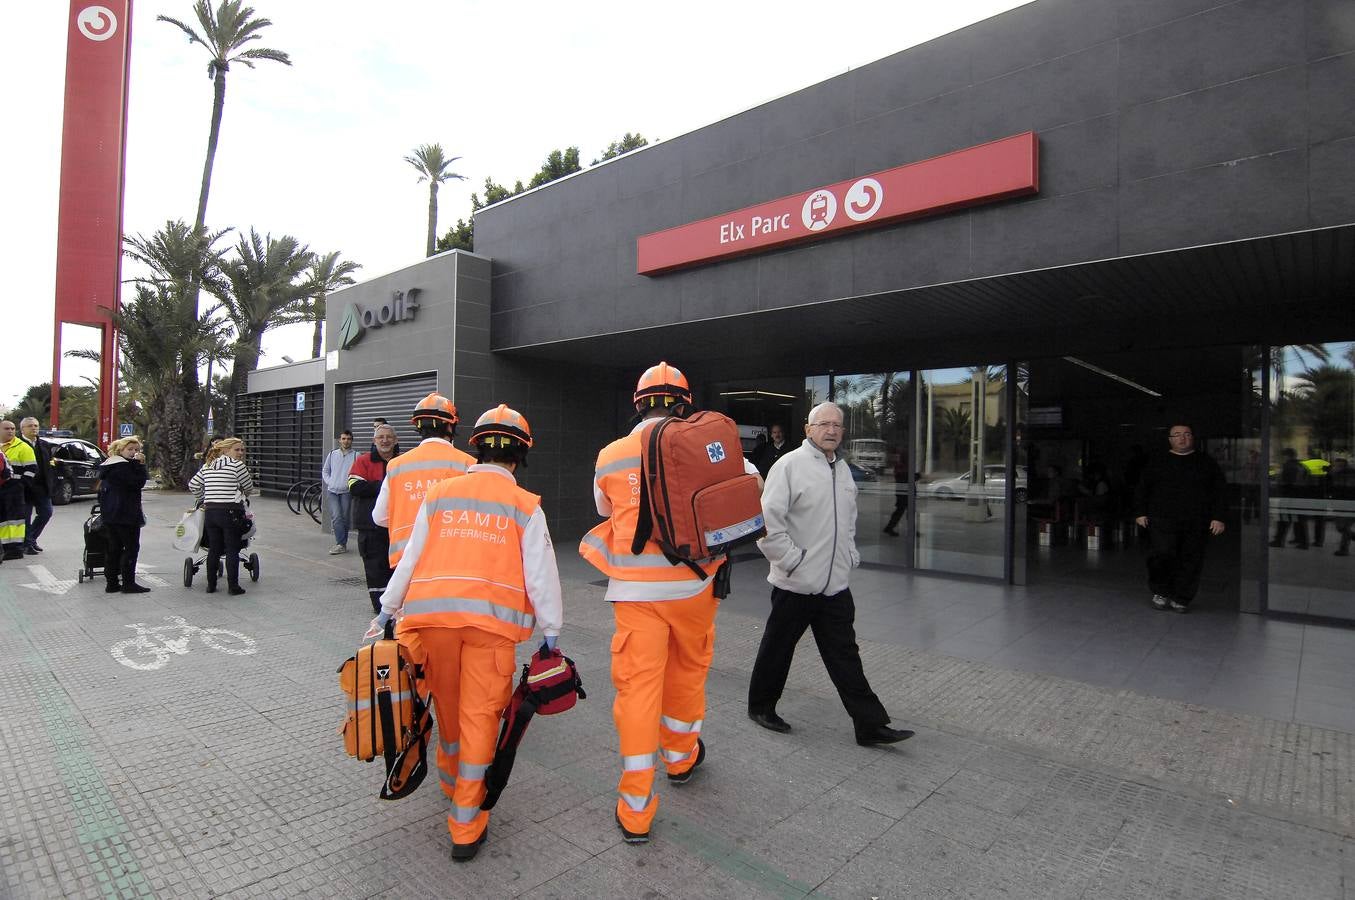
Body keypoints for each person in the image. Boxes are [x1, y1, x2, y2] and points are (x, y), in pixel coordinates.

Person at [369, 404, 562, 863]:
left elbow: (411, 559)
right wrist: (551, 634)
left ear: (475, 448)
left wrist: (386, 612)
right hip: (491, 633)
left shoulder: (439, 495)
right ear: (520, 456)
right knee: (481, 718)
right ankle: (465, 822)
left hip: (431, 623)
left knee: (449, 709)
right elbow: (541, 577)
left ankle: (448, 779)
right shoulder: (525, 506)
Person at [579, 361, 761, 844]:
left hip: (636, 594)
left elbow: (603, 508)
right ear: (684, 404)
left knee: (638, 691)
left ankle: (636, 807)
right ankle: (680, 758)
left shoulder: (611, 454)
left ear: (638, 404)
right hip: (697, 584)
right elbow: (750, 481)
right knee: (687, 675)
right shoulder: (705, 446)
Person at [747, 401, 914, 747]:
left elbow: (847, 520)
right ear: (808, 429)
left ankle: (869, 724)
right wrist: (792, 561)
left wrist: (849, 555)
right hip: (795, 583)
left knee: (845, 654)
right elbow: (766, 523)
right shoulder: (789, 466)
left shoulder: (842, 469)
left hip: (834, 585)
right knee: (778, 648)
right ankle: (761, 707)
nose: (832, 431)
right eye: (824, 424)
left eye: (838, 425)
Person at [374, 394, 476, 569]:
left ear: (418, 426)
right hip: (453, 561)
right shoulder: (468, 464)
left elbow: (379, 517)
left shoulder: (396, 465)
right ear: (451, 425)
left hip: (406, 565)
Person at [1133, 423, 1226, 613]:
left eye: (1186, 434)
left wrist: (1218, 517)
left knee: (1191, 559)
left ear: (1192, 438)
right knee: (1162, 554)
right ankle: (1160, 591)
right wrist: (1140, 512)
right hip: (1161, 519)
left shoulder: (1206, 463)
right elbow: (1143, 488)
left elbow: (1219, 492)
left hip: (1196, 521)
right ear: (1170, 439)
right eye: (1177, 435)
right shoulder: (1157, 461)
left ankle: (1181, 597)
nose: (1182, 438)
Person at [188, 437, 255, 595]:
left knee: (214, 549)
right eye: (236, 449)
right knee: (232, 549)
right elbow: (249, 487)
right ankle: (233, 587)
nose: (240, 453)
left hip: (211, 512)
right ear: (225, 450)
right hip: (231, 511)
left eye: (242, 450)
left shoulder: (208, 465)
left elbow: (193, 485)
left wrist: (204, 497)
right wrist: (241, 494)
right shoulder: (237, 466)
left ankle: (211, 585)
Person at [348, 423, 402, 612]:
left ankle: (399, 604)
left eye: (389, 437)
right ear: (374, 441)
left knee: (398, 566)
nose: (385, 440)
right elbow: (355, 487)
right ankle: (379, 607)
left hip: (399, 525)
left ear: (396, 440)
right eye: (381, 437)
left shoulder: (404, 461)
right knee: (374, 566)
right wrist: (386, 486)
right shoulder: (363, 461)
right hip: (370, 526)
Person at [98, 436, 151, 593]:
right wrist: (140, 465)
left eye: (136, 450)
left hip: (110, 514)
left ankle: (112, 583)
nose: (134, 453)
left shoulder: (109, 465)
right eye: (130, 449)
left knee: (113, 548)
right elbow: (137, 483)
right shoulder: (122, 467)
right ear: (120, 450)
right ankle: (128, 583)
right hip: (126, 514)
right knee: (131, 548)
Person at [19, 418, 54, 554]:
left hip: (41, 487)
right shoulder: (17, 444)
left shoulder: (44, 445)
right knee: (25, 517)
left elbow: (50, 464)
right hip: (24, 487)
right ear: (22, 429)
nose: (34, 428)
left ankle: (31, 539)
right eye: (30, 426)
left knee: (46, 513)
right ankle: (27, 544)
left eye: (36, 426)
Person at [321, 430, 357, 554]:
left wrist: (350, 484)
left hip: (346, 492)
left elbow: (358, 473)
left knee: (345, 518)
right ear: (339, 440)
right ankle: (340, 543)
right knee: (336, 517)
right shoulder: (332, 454)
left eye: (348, 438)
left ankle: (343, 543)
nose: (346, 441)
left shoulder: (356, 456)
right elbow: (325, 470)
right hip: (332, 491)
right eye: (343, 438)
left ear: (352, 440)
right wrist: (330, 482)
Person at [1269, 448, 1309, 550]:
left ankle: (1279, 540)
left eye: (1284, 456)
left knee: (1283, 520)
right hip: (1299, 496)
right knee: (1300, 521)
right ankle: (1303, 542)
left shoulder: (1288, 466)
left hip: (1288, 496)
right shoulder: (1301, 466)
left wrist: (1278, 487)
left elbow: (1284, 482)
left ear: (1287, 456)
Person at [0, 429, 24, 563]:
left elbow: (32, 469)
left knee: (11, 521)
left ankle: (14, 549)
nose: (10, 431)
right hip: (7, 489)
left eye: (12, 429)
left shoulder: (21, 447)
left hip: (11, 490)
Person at [1329, 457, 1354, 557]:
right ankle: (1345, 547)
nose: (1335, 467)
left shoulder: (1349, 474)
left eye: (1337, 465)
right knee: (1341, 527)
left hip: (1348, 503)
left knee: (1343, 526)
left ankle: (1344, 549)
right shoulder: (1334, 474)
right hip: (1340, 503)